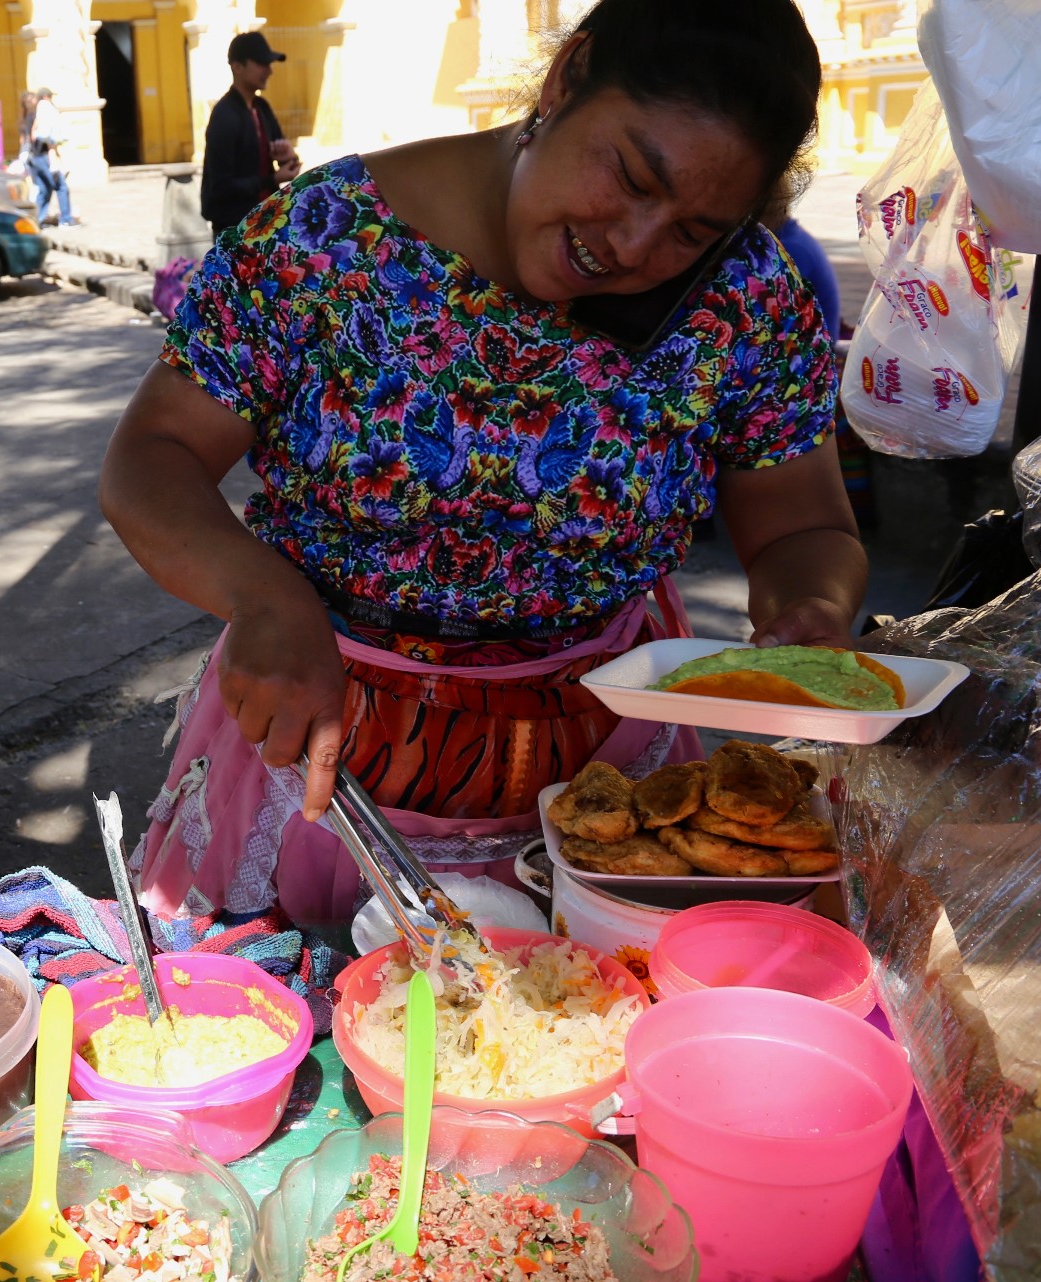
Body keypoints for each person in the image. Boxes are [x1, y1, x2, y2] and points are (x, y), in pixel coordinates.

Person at [101, 0, 860, 932]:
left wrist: (811, 607)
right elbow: (153, 456)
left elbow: (803, 526)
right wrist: (262, 595)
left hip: (615, 787)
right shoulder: (324, 240)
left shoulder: (750, 297)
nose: (631, 245)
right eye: (627, 175)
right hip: (325, 759)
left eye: (692, 231)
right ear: (566, 76)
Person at [200, 31, 301, 238]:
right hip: (234, 228)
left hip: (268, 220)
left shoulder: (261, 107)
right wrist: (272, 178)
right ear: (237, 67)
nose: (269, 71)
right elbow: (221, 186)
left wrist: (289, 157)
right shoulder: (224, 116)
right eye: (262, 64)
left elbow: (285, 159)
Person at [28, 88, 79, 228]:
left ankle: (36, 222)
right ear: (46, 97)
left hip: (35, 157)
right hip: (45, 157)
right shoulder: (45, 111)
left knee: (44, 189)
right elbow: (49, 139)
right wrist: (55, 159)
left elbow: (32, 136)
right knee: (62, 187)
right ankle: (66, 220)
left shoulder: (33, 114)